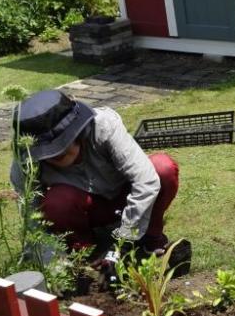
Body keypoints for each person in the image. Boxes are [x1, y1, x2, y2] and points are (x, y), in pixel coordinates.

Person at [9, 90, 180, 257]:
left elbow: (146, 180)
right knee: (57, 202)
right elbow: (32, 220)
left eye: (59, 149)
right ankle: (85, 254)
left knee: (162, 168)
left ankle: (150, 237)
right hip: (88, 210)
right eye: (46, 153)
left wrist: (123, 243)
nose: (52, 156)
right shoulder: (26, 162)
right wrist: (51, 263)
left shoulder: (103, 126)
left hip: (124, 194)